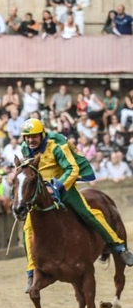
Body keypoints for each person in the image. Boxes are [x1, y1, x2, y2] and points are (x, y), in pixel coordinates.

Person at [19, 118, 133, 293]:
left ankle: (119, 246)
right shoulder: (25, 149)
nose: (30, 140)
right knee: (28, 228)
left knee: (88, 213)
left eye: (33, 136)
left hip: (64, 188)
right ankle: (30, 271)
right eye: (27, 137)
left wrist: (57, 186)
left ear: (42, 135)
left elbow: (73, 169)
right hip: (41, 193)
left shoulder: (57, 147)